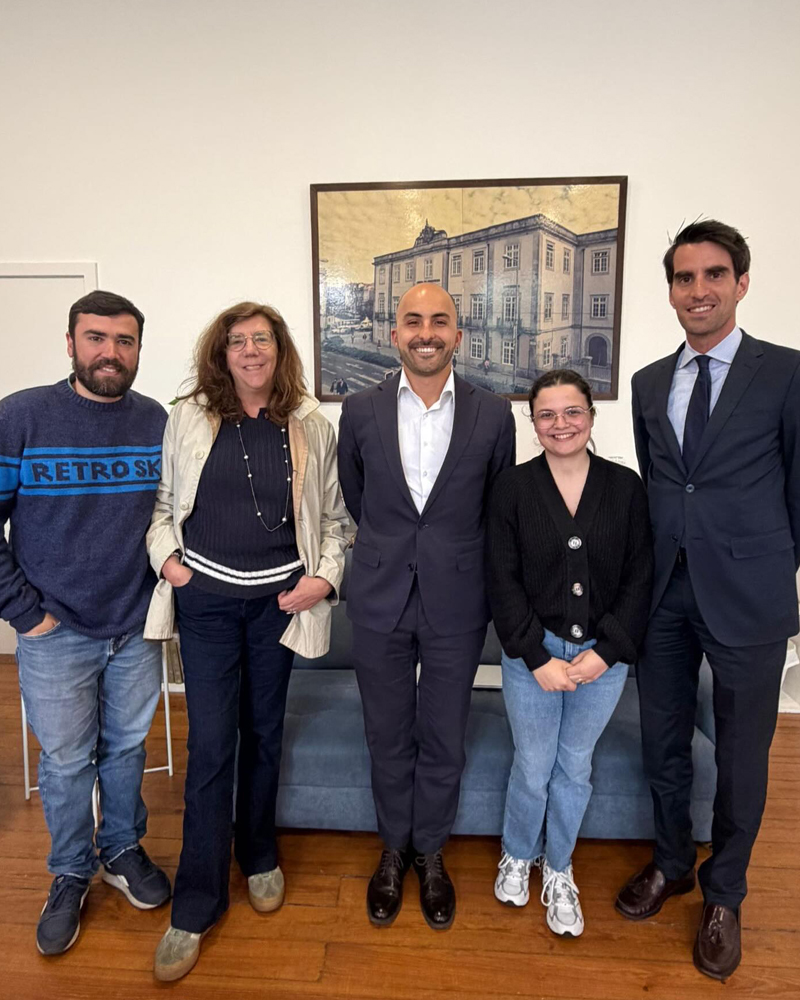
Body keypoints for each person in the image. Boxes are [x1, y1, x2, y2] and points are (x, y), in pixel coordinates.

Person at [616, 221, 800, 980]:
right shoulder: (648, 382)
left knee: (740, 755)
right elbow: (663, 484)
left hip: (749, 596)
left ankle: (725, 893)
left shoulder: (786, 372)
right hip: (663, 594)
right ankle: (672, 863)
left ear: (741, 283)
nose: (699, 291)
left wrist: (781, 576)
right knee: (661, 742)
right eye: (684, 278)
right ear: (670, 291)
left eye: (714, 275)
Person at [146, 302, 348, 981]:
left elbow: (336, 520)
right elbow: (163, 507)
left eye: (263, 338)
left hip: (277, 607)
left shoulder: (310, 423)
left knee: (263, 733)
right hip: (205, 606)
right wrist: (171, 564)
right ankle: (195, 904)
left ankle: (258, 855)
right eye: (238, 341)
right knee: (210, 746)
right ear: (222, 353)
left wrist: (322, 578)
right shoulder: (189, 416)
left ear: (279, 350)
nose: (252, 350)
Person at [337, 283, 516, 931]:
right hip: (379, 595)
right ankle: (394, 850)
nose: (426, 332)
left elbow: (497, 507)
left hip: (457, 599)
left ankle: (431, 852)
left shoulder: (494, 414)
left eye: (440, 321)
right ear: (395, 334)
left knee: (443, 737)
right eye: (413, 321)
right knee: (386, 735)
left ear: (458, 335)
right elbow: (357, 496)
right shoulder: (359, 410)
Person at [0, 290, 171, 955]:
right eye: (96, 338)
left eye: (124, 341)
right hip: (55, 632)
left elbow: (168, 516)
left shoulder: (154, 421)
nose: (110, 352)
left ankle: (122, 850)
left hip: (134, 627)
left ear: (138, 349)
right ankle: (70, 872)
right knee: (68, 761)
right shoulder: (22, 416)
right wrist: (27, 615)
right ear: (70, 343)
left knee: (126, 750)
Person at [486, 370, 653, 937]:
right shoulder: (511, 488)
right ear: (533, 424)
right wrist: (536, 656)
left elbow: (640, 577)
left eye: (573, 411)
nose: (561, 424)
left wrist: (607, 652)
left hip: (602, 659)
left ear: (591, 415)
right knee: (533, 764)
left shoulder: (626, 487)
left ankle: (558, 867)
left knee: (574, 765)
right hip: (533, 655)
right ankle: (517, 853)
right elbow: (501, 579)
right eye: (548, 415)